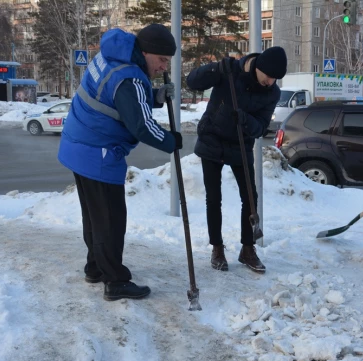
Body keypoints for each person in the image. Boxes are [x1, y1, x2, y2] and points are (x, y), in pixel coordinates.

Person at [58, 25, 182, 301]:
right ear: (145, 52)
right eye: (161, 60)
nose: (163, 67)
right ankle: (115, 280)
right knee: (110, 221)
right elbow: (142, 125)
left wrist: (155, 97)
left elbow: (120, 99)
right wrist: (171, 140)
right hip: (97, 153)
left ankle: (95, 267)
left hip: (79, 146)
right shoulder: (131, 78)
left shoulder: (113, 57)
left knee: (94, 216)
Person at [186, 47, 287, 274]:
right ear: (258, 67)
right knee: (214, 198)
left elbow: (261, 127)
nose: (270, 82)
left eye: (275, 79)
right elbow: (192, 82)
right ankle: (217, 248)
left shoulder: (272, 93)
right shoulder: (230, 71)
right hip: (212, 138)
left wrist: (245, 120)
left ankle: (247, 249)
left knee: (250, 197)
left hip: (240, 144)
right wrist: (214, 69)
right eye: (268, 76)